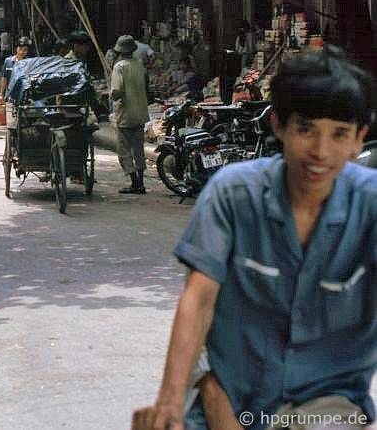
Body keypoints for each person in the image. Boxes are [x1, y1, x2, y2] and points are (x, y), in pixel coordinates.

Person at [132, 46, 376, 430]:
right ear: (278, 125)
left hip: (330, 406)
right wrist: (170, 400)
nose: (320, 152)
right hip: (231, 396)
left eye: (339, 134)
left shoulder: (371, 206)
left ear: (359, 138)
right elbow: (199, 299)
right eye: (306, 129)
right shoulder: (232, 194)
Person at [111, 35, 148, 194]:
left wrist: (111, 96)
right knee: (138, 148)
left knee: (124, 149)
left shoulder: (119, 66)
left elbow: (117, 91)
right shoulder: (139, 64)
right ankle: (141, 181)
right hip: (140, 112)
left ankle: (134, 182)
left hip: (126, 113)